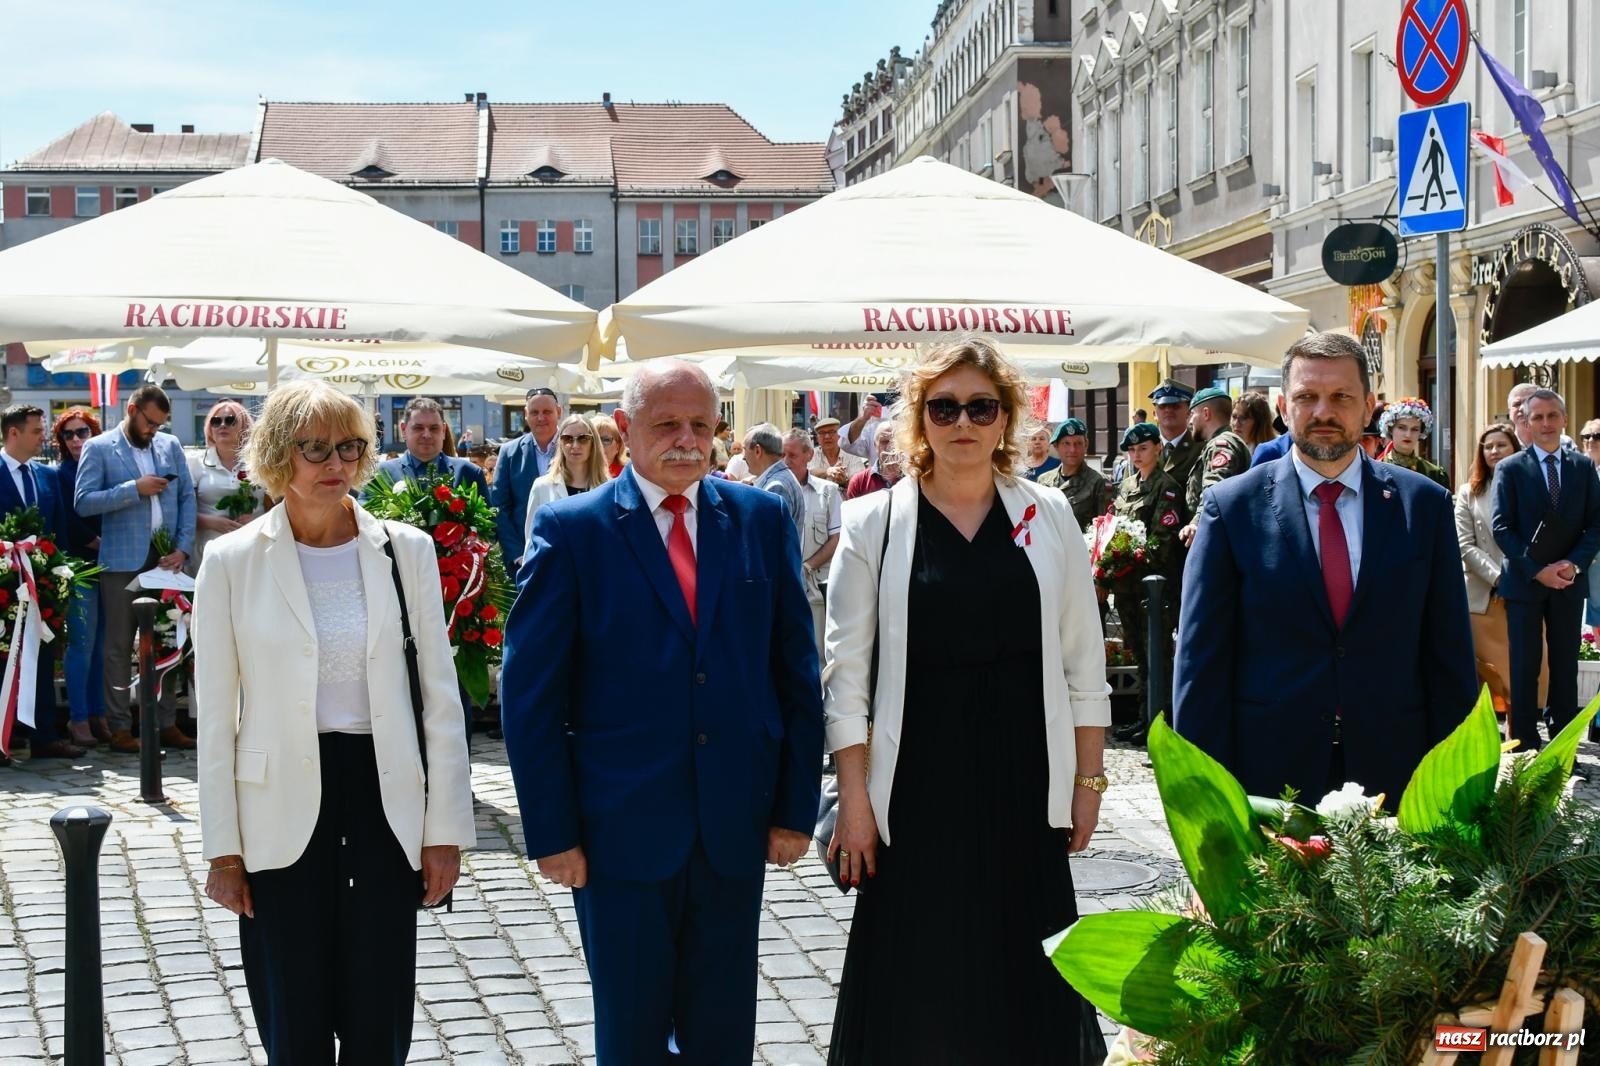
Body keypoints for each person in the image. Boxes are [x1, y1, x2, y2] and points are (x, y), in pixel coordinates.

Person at [502, 359, 822, 1063]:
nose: (686, 440)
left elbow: (796, 672)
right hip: (618, 833)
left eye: (700, 426)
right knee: (633, 1031)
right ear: (624, 429)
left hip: (734, 826)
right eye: (666, 424)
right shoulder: (571, 531)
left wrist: (796, 808)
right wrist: (552, 831)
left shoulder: (759, 519)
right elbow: (529, 696)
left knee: (722, 1032)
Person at [824, 337, 1109, 1064]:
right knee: (918, 983)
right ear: (918, 420)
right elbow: (845, 676)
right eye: (943, 406)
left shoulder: (1046, 515)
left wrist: (1088, 782)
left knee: (1023, 976)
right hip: (914, 788)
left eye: (981, 406)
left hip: (1022, 781)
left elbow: (1084, 662)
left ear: (1006, 418)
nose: (963, 422)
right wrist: (853, 800)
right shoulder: (874, 522)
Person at [194, 380, 473, 1064]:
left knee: (380, 1005)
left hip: (383, 795)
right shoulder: (230, 561)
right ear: (275, 457)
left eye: (349, 447)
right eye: (315, 448)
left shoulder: (402, 550)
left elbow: (439, 696)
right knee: (294, 1008)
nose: (335, 464)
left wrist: (446, 832)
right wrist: (222, 849)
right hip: (276, 803)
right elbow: (214, 717)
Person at [1174, 332, 1477, 804]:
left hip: (1397, 771)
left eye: (1340, 397)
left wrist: (1457, 784)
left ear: (1369, 405)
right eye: (1307, 397)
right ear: (1282, 404)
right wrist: (1203, 795)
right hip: (1269, 773)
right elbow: (1201, 663)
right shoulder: (1231, 509)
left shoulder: (1425, 506)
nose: (1323, 412)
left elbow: (1450, 657)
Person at [74, 385, 197, 754]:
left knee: (167, 640)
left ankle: (165, 722)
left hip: (165, 561)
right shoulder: (98, 447)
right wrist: (133, 489)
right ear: (131, 409)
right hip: (122, 562)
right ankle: (119, 727)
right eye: (149, 422)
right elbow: (83, 502)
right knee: (118, 646)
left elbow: (186, 497)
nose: (153, 430)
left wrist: (181, 548)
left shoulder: (170, 445)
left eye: (160, 424)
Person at [1491, 388, 1600, 752]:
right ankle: (1522, 740)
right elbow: (1502, 527)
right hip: (1525, 582)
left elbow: (1596, 524)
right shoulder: (1509, 468)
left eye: (1552, 415)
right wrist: (1537, 570)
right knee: (1525, 665)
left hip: (1568, 582)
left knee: (1565, 664)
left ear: (1564, 419)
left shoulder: (1583, 468)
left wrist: (1573, 564)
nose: (1546, 423)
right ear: (1525, 421)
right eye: (1537, 417)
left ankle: (1562, 742)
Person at [0, 404, 82, 759]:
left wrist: (60, 574)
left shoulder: (47, 477)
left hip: (42, 584)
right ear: (13, 433)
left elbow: (59, 532)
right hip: (4, 582)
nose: (44, 438)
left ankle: (43, 735)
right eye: (36, 431)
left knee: (43, 655)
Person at [1107, 422, 1189, 742]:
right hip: (1127, 588)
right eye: (1132, 450)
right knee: (1139, 655)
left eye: (1143, 448)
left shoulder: (1167, 487)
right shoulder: (1126, 486)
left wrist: (1125, 562)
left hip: (1153, 589)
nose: (1137, 455)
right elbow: (1115, 527)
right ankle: (1144, 717)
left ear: (1157, 448)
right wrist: (1108, 561)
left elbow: (1161, 541)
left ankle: (1161, 721)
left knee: (1157, 655)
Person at [1456, 424, 1527, 716]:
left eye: (1501, 445)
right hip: (1483, 592)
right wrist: (1498, 577)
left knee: (1518, 665)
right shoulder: (1468, 493)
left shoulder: (1528, 488)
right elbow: (1464, 544)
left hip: (1524, 588)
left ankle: (1517, 725)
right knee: (1485, 667)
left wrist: (1521, 574)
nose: (1494, 451)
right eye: (1488, 446)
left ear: (1514, 448)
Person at [55, 408, 109, 749]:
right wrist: (96, 542)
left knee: (102, 646)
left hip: (109, 564)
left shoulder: (103, 466)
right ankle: (78, 719)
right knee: (81, 646)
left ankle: (98, 713)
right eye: (69, 434)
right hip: (79, 566)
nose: (76, 439)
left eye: (82, 432)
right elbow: (65, 517)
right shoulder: (61, 473)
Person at [781, 428, 841, 662]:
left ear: (808, 456)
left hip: (813, 587)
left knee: (818, 651)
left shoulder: (828, 491)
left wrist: (806, 567)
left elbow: (837, 538)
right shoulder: (771, 490)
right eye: (782, 455)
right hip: (781, 583)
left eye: (792, 455)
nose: (785, 462)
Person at [520, 414, 611, 563]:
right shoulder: (542, 486)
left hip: (597, 574)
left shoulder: (608, 487)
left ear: (593, 443)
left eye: (583, 438)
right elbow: (531, 542)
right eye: (568, 438)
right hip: (555, 575)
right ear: (560, 443)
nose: (575, 445)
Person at [490, 387, 562, 571]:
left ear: (559, 412)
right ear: (525, 415)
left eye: (547, 412)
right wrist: (517, 554)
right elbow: (500, 508)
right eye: (534, 412)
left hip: (566, 554)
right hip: (522, 561)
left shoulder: (573, 447)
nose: (540, 418)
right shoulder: (509, 452)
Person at [189, 400, 265, 572]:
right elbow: (182, 510)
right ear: (210, 428)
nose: (222, 425)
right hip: (209, 548)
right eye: (216, 421)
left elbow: (278, 506)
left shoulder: (260, 463)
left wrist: (257, 521)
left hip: (252, 547)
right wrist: (210, 522)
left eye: (230, 420)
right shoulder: (194, 463)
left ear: (244, 427)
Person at [371, 397, 490, 499]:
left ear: (443, 431)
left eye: (434, 428)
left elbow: (487, 522)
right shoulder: (381, 474)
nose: (427, 435)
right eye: (418, 428)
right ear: (403, 429)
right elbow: (365, 522)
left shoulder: (468, 472)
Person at [1179, 386, 1251, 546]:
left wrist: (1196, 523)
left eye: (1192, 414)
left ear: (1206, 413)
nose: (1190, 421)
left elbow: (1213, 491)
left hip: (1215, 539)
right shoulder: (1227, 441)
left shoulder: (1220, 445)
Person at [1037, 418, 1112, 531]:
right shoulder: (1044, 481)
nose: (1072, 449)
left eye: (1078, 443)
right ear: (1056, 446)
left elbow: (1105, 530)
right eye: (1066, 443)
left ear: (1086, 445)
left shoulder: (1099, 482)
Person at [741, 422, 806, 540]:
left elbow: (766, 543)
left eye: (744, 450)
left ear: (757, 451)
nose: (743, 457)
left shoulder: (775, 487)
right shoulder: (780, 479)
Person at [1378, 397, 1450, 489]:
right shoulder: (1377, 471)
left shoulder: (1434, 474)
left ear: (1421, 432)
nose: (1408, 435)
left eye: (1415, 429)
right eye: (1402, 427)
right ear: (1390, 429)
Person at [1150, 379, 1201, 488]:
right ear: (1154, 414)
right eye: (1162, 406)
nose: (1168, 410)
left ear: (1188, 412)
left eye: (1175, 405)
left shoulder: (1201, 448)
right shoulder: (1143, 447)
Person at [845, 422, 902, 500]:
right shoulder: (859, 482)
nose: (890, 447)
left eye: (895, 442)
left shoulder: (914, 478)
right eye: (885, 441)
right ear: (875, 445)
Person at [809, 416, 867, 488]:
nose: (827, 436)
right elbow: (808, 474)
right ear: (817, 438)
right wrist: (828, 471)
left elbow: (860, 484)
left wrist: (845, 482)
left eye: (831, 432)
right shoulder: (812, 454)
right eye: (822, 433)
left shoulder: (851, 453)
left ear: (839, 435)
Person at [1230, 391, 1277, 456]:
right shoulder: (1227, 448)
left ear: (1259, 422)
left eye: (1243, 418)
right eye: (1234, 417)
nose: (1236, 423)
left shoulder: (1272, 452)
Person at [593, 414, 626, 480]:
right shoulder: (578, 473)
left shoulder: (626, 475)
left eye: (606, 440)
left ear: (618, 446)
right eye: (594, 439)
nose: (599, 445)